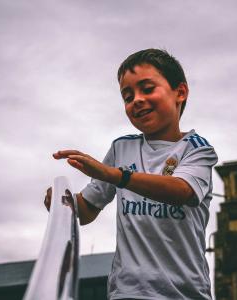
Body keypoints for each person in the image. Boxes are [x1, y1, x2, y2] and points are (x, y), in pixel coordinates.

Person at [45, 48, 218, 300]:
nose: (136, 100)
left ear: (180, 92)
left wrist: (117, 176)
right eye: (127, 96)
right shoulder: (121, 148)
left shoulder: (197, 149)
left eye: (147, 89)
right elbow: (87, 211)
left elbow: (183, 191)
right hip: (128, 292)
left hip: (185, 293)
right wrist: (62, 202)